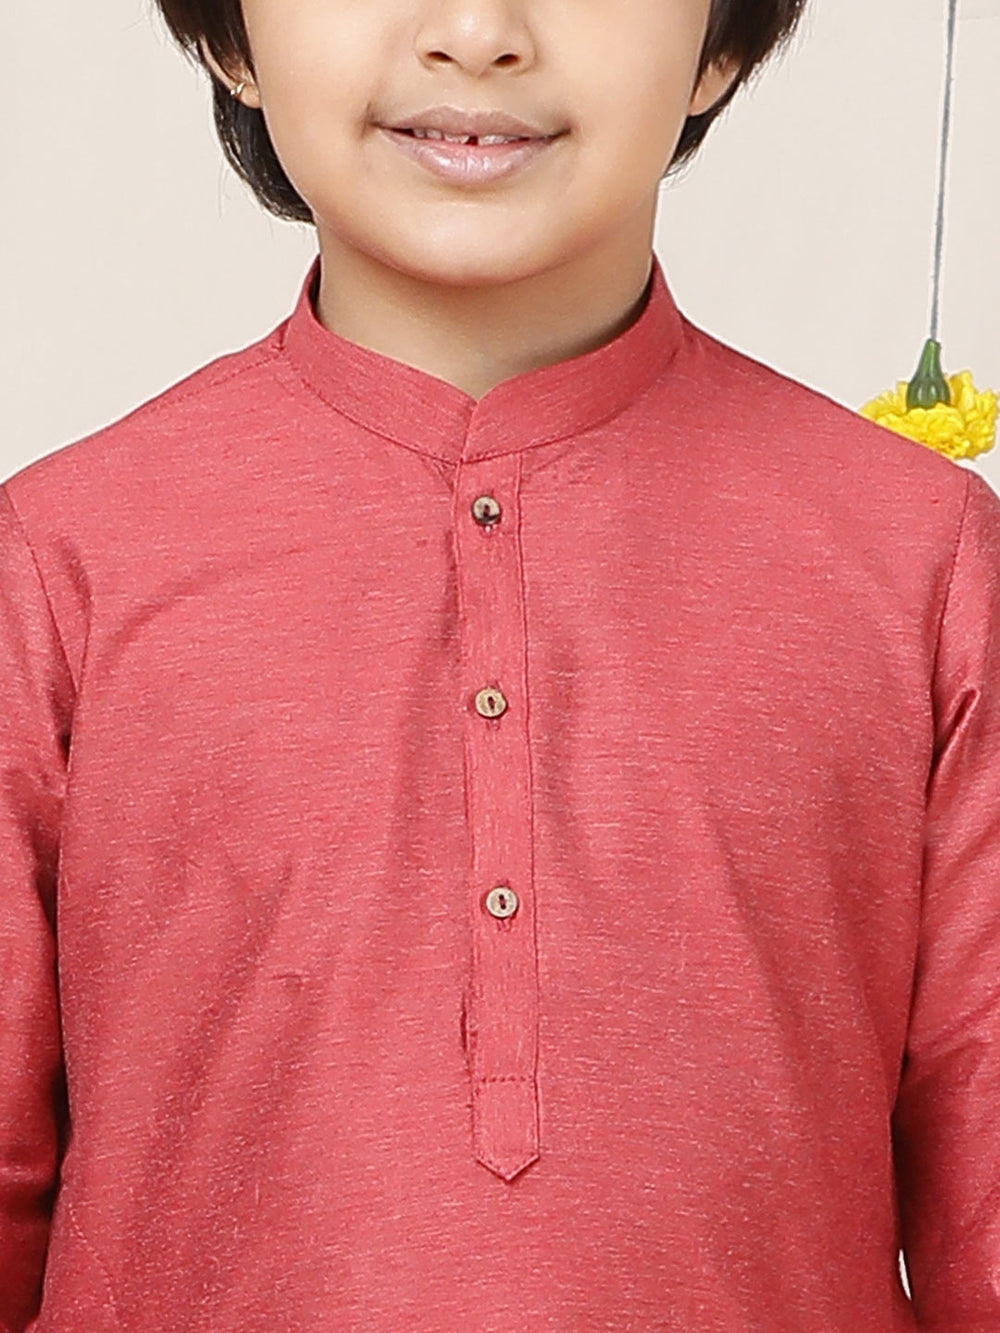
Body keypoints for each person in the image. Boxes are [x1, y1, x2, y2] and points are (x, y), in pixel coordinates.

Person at [2, 0, 998, 1327]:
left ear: (721, 41)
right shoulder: (57, 564)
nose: (476, 32)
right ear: (231, 35)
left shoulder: (925, 564)